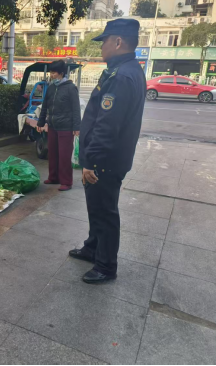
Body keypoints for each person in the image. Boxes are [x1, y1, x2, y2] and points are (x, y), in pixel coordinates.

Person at [70, 19, 146, 284]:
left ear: (118, 41)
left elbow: (107, 125)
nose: (101, 47)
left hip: (105, 160)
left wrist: (91, 161)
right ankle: (92, 248)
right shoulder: (123, 70)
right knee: (97, 207)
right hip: (108, 158)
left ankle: (105, 265)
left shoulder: (122, 76)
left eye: (104, 41)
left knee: (105, 212)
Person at [37, 60, 81, 191]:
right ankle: (53, 177)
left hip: (66, 126)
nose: (51, 75)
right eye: (51, 72)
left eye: (54, 73)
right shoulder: (51, 88)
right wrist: (40, 122)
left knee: (64, 155)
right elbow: (45, 106)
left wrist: (76, 127)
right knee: (53, 153)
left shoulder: (70, 88)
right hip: (52, 125)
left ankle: (66, 182)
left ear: (61, 73)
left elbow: (76, 108)